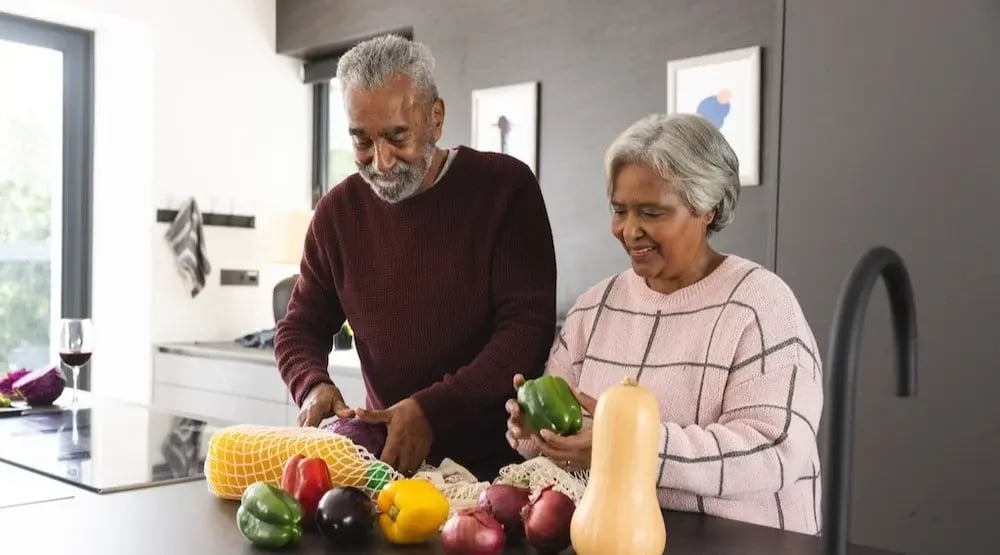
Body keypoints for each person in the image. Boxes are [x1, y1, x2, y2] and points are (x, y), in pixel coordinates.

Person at [505, 113, 824, 535]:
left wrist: (626, 447)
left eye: (652, 213)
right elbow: (567, 444)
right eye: (619, 210)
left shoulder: (761, 306)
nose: (629, 230)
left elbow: (773, 452)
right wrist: (533, 430)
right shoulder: (595, 307)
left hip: (742, 542)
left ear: (706, 208)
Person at [276, 34, 557, 481]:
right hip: (389, 467)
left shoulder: (506, 189)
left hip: (499, 470)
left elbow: (527, 331)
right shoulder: (336, 213)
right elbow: (299, 326)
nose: (382, 162)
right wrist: (312, 383)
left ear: (435, 118)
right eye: (362, 141)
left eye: (397, 136)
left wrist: (431, 410)